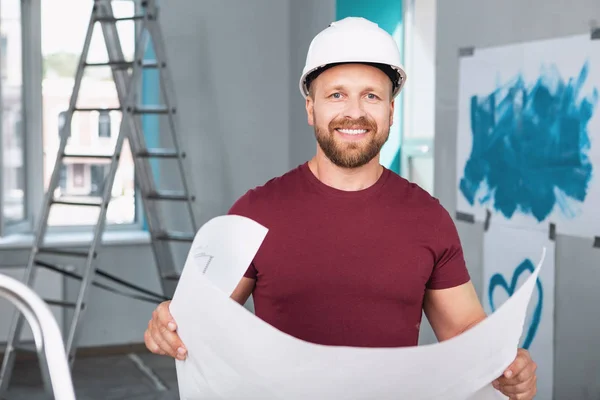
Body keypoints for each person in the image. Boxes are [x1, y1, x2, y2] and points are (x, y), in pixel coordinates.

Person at [144, 17, 537, 399]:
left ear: (390, 112)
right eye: (337, 95)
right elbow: (199, 324)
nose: (355, 112)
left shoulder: (428, 217)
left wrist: (507, 367)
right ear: (311, 108)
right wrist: (168, 323)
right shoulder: (256, 212)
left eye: (371, 96)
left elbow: (466, 330)